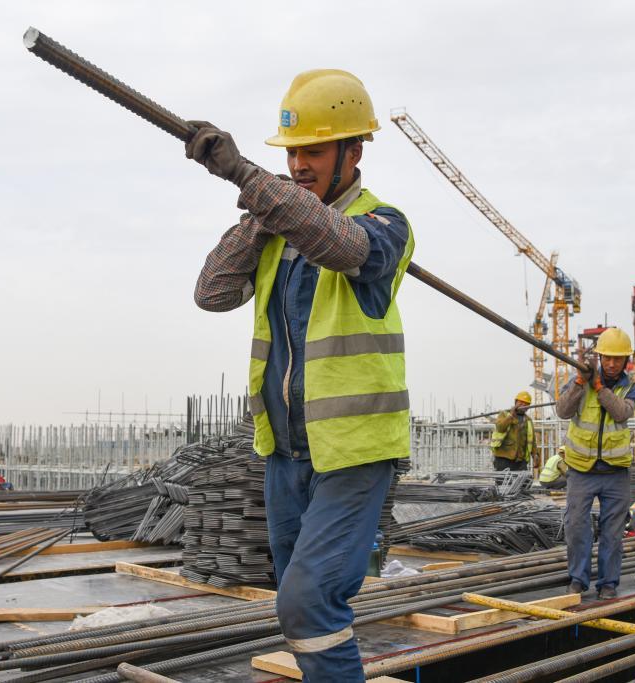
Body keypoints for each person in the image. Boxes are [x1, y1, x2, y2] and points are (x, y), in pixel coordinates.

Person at [190, 70, 413, 682]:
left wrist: (250, 179)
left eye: (312, 150)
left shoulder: (384, 223)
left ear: (354, 151)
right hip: (286, 453)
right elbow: (211, 293)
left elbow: (344, 247)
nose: (297, 164)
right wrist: (260, 217)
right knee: (301, 609)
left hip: (352, 452)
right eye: (292, 152)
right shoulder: (277, 228)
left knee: (309, 602)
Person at [556, 327, 635, 599]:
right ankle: (578, 579)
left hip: (615, 472)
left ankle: (608, 583)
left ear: (626, 360)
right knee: (576, 527)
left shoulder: (631, 388)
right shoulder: (580, 380)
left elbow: (621, 412)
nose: (612, 364)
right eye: (607, 358)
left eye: (618, 359)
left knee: (613, 532)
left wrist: (599, 388)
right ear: (600, 357)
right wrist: (581, 382)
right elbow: (562, 411)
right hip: (582, 469)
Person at [490, 391, 538, 472]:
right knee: (503, 480)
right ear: (515, 402)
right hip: (504, 458)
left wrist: (535, 454)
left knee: (523, 480)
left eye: (526, 404)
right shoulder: (504, 414)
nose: (523, 405)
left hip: (520, 460)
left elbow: (532, 440)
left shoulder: (528, 420)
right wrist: (511, 416)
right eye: (521, 402)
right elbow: (500, 428)